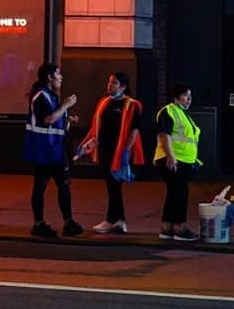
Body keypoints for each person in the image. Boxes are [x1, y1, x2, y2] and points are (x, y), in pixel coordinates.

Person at [77, 71, 144, 234]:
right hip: (104, 150)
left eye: (114, 83)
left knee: (114, 185)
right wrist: (88, 143)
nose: (110, 86)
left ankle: (113, 219)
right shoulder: (104, 102)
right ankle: (118, 220)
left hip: (119, 151)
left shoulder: (132, 104)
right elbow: (96, 127)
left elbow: (134, 130)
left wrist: (126, 151)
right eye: (109, 82)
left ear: (123, 87)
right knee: (112, 185)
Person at [24, 63, 84, 238]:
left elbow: (55, 119)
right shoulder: (40, 96)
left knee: (63, 184)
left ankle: (68, 222)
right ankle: (39, 224)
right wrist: (65, 105)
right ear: (50, 77)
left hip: (55, 148)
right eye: (59, 74)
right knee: (41, 185)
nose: (61, 77)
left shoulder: (50, 96)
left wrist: (68, 120)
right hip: (44, 150)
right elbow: (48, 119)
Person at [154, 83, 201, 241]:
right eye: (186, 96)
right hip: (173, 159)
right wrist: (171, 157)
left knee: (175, 192)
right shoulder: (169, 111)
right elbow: (164, 135)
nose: (189, 99)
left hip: (180, 160)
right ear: (176, 97)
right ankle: (180, 227)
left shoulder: (182, 113)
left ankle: (167, 227)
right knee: (180, 192)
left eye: (190, 96)